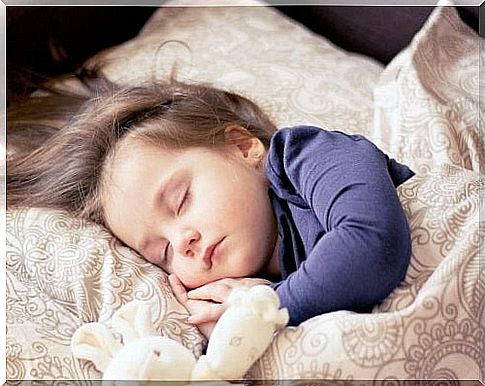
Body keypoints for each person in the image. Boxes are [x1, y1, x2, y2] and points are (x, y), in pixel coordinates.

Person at [7, 71, 414, 339]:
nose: (182, 241)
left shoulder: (309, 155)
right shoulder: (262, 278)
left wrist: (268, 307)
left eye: (181, 200)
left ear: (243, 147)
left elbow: (372, 245)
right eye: (163, 253)